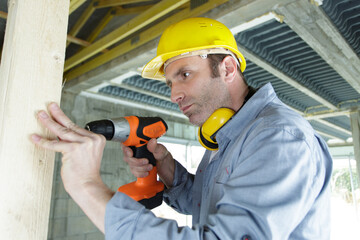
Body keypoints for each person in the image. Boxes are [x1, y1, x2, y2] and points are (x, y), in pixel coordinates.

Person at [32, 17, 333, 239]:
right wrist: (168, 170)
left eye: (185, 74)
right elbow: (203, 205)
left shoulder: (279, 138)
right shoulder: (229, 134)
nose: (174, 94)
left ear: (227, 68)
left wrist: (88, 186)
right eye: (170, 83)